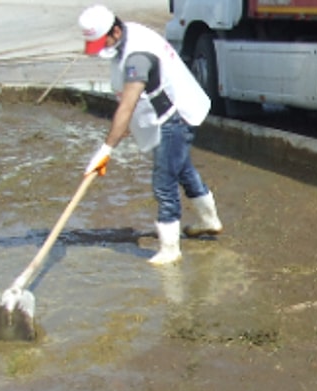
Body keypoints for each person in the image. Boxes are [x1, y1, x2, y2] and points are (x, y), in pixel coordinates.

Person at [78, 5, 222, 265]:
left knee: (164, 180)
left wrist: (106, 150)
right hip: (169, 110)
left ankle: (170, 248)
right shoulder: (128, 35)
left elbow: (127, 106)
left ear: (116, 31)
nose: (100, 49)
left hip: (174, 116)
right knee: (182, 168)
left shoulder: (137, 56)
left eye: (102, 43)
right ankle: (208, 220)